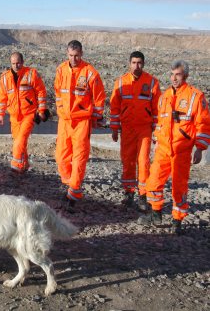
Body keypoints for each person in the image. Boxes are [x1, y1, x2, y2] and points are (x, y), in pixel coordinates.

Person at [137, 60, 210, 234]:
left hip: (181, 151)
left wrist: (200, 148)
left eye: (177, 74)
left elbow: (203, 124)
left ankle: (177, 221)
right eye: (172, 74)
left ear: (185, 75)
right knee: (153, 182)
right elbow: (160, 123)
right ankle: (156, 215)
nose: (174, 78)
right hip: (163, 148)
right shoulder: (165, 96)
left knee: (179, 186)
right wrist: (156, 140)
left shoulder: (195, 96)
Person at [54, 40, 106, 210]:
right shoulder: (61, 70)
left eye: (76, 56)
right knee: (61, 157)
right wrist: (60, 108)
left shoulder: (90, 73)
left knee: (79, 157)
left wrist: (97, 117)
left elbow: (99, 97)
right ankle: (71, 184)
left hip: (82, 120)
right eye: (70, 55)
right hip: (65, 120)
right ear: (67, 53)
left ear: (81, 54)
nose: (74, 59)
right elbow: (57, 92)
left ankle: (74, 192)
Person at [109, 51, 161, 209]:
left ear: (143, 64)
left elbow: (158, 110)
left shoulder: (152, 82)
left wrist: (157, 134)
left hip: (144, 129)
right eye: (133, 62)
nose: (136, 66)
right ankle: (129, 192)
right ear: (129, 63)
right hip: (127, 128)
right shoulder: (121, 82)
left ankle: (143, 195)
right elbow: (114, 107)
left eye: (139, 63)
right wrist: (114, 128)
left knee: (143, 161)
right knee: (127, 160)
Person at [0, 52, 48, 173]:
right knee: (19, 141)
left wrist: (41, 110)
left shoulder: (31, 74)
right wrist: (0, 114)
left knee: (20, 140)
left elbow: (41, 92)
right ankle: (24, 164)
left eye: (18, 63)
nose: (16, 65)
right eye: (13, 63)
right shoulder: (5, 77)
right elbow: (2, 97)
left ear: (23, 62)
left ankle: (16, 166)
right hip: (14, 116)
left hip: (29, 114)